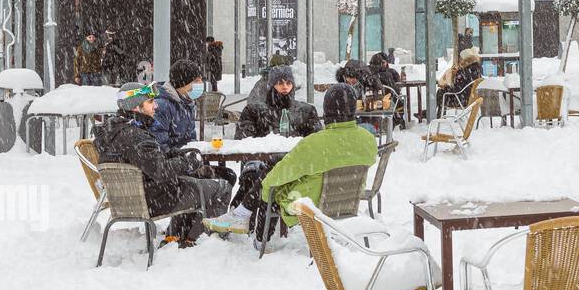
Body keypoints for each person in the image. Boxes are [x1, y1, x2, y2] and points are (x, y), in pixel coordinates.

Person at [94, 83, 231, 246]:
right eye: (150, 102)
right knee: (222, 187)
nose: (156, 105)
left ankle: (176, 236)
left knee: (194, 180)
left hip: (130, 199)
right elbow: (160, 171)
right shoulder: (136, 137)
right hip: (154, 200)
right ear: (137, 107)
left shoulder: (114, 132)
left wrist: (174, 154)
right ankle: (197, 240)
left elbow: (147, 159)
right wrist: (188, 162)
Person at [246, 83, 378, 238]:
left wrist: (266, 192)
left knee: (270, 188)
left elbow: (276, 178)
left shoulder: (313, 144)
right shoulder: (368, 139)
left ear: (327, 110)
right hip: (348, 200)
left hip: (310, 206)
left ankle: (261, 240)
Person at [235, 65, 321, 139]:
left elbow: (316, 142)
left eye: (289, 83)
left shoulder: (307, 111)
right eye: (280, 83)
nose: (285, 87)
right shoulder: (253, 111)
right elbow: (244, 142)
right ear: (272, 85)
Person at [149, 58, 205, 152]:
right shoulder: (161, 106)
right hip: (170, 162)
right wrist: (181, 159)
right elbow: (159, 145)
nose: (200, 84)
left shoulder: (187, 103)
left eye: (201, 80)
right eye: (196, 81)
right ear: (183, 83)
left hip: (182, 160)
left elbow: (190, 139)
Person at [437, 46, 483, 113]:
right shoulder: (477, 70)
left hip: (462, 100)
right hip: (472, 100)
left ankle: (437, 114)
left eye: (461, 59)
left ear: (465, 59)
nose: (460, 61)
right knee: (443, 93)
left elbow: (457, 89)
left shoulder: (463, 71)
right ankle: (433, 112)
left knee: (441, 92)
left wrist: (446, 87)